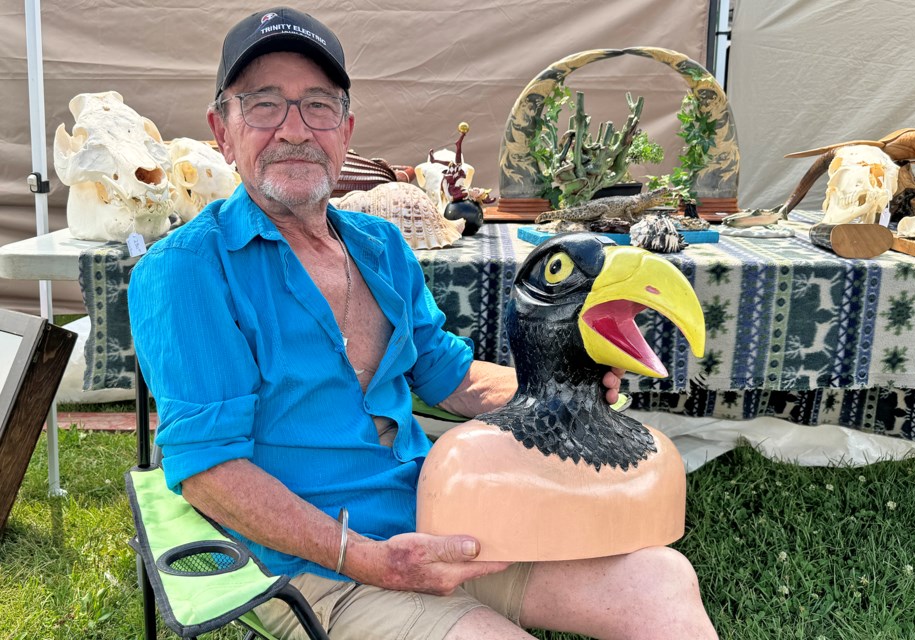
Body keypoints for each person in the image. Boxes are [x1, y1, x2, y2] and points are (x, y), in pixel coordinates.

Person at [128, 7, 718, 640]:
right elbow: (211, 476)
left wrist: (552, 389)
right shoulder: (184, 270)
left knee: (661, 581)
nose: (294, 130)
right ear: (224, 130)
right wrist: (369, 559)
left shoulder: (380, 245)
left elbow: (446, 373)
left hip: (437, 517)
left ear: (346, 129)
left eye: (318, 106)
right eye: (264, 104)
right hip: (311, 566)